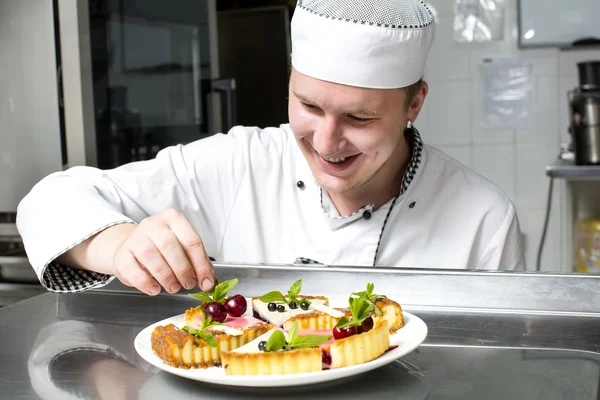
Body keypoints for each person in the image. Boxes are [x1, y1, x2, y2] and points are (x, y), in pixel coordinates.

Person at [16, 0, 525, 297]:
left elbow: (486, 371)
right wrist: (119, 243)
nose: (326, 144)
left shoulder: (483, 218)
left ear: (414, 104)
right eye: (308, 106)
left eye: (360, 118)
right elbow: (49, 200)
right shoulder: (240, 163)